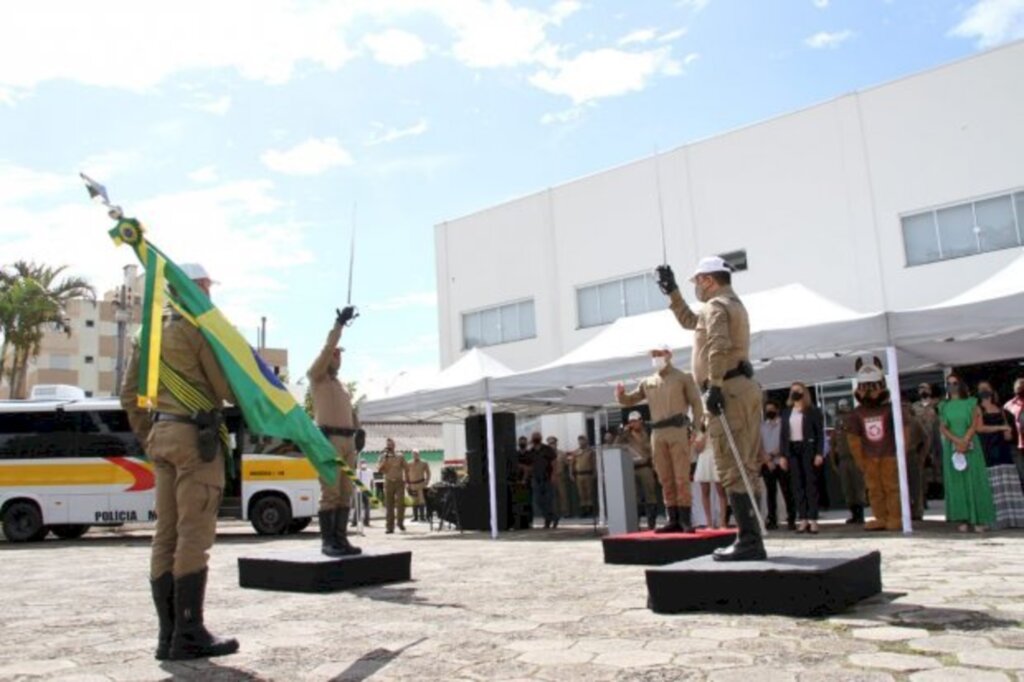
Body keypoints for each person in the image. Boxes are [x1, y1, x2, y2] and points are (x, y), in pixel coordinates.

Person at [121, 262, 238, 661]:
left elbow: (128, 395)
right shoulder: (196, 326)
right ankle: (189, 630)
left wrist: (150, 438)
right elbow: (223, 387)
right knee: (193, 534)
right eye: (207, 287)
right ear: (197, 288)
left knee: (165, 534)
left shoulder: (146, 333)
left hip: (162, 436)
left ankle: (167, 635)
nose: (210, 294)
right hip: (194, 438)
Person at [658, 257, 764, 560]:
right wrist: (673, 293)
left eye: (696, 283)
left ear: (707, 280)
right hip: (738, 387)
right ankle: (751, 538)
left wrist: (714, 384)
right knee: (745, 465)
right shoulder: (732, 304)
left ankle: (749, 541)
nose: (697, 290)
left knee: (732, 467)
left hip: (727, 391)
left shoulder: (717, 306)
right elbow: (691, 322)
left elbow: (718, 346)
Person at [616, 346, 705, 533]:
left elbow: (697, 404)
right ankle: (672, 518)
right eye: (653, 355)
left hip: (678, 429)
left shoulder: (683, 377)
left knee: (681, 476)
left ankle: (685, 519)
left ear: (669, 355)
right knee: (665, 477)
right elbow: (630, 400)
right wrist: (620, 395)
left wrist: (696, 429)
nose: (656, 357)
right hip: (657, 433)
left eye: (659, 354)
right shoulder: (647, 381)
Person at [308, 307, 362, 557]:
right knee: (330, 491)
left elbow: (350, 412)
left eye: (341, 355)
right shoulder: (316, 377)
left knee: (345, 492)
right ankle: (328, 542)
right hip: (328, 439)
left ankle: (341, 540)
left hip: (347, 441)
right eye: (335, 354)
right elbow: (327, 347)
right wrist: (339, 324)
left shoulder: (340, 386)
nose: (338, 358)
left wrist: (358, 430)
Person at [845, 358, 909, 532]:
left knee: (892, 487)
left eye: (872, 386)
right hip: (870, 457)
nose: (868, 392)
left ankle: (895, 517)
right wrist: (861, 460)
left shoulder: (892, 409)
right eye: (864, 387)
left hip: (889, 455)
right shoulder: (857, 414)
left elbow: (904, 430)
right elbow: (854, 439)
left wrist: (901, 452)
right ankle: (880, 517)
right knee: (874, 490)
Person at [939, 374, 996, 532]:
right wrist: (957, 441)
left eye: (955, 383)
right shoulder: (943, 405)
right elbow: (943, 427)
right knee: (958, 481)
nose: (952, 386)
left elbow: (974, 424)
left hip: (971, 444)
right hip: (953, 446)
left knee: (975, 479)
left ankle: (979, 519)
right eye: (949, 384)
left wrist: (965, 440)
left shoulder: (972, 402)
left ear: (961, 385)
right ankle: (963, 518)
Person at [974, 381, 1024, 529]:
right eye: (981, 389)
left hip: (1003, 451)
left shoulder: (1002, 410)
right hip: (987, 451)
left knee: (1007, 485)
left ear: (992, 390)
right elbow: (979, 428)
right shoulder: (977, 409)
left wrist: (1008, 433)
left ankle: (1012, 519)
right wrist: (1000, 427)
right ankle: (992, 521)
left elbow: (1011, 433)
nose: (984, 391)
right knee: (991, 487)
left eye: (986, 388)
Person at [780, 382, 825, 534]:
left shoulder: (812, 411)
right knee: (797, 485)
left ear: (804, 393)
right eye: (792, 391)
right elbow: (783, 436)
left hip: (808, 449)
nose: (795, 393)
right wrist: (783, 456)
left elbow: (819, 433)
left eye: (798, 391)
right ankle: (803, 519)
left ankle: (813, 520)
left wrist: (819, 453)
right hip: (792, 449)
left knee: (810, 484)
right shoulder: (787, 412)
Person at [616, 412, 659, 530]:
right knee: (635, 498)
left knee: (651, 495)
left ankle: (652, 523)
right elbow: (616, 446)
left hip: (646, 467)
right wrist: (622, 433)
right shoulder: (626, 436)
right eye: (631, 422)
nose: (633, 424)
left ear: (641, 420)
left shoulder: (649, 432)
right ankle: (636, 523)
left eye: (635, 421)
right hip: (631, 469)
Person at [759, 400, 794, 531]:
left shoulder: (784, 424)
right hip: (768, 465)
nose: (769, 412)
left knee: (787, 491)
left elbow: (785, 442)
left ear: (777, 410)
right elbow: (759, 444)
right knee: (770, 493)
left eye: (771, 409)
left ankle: (791, 518)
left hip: (781, 462)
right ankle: (772, 519)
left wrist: (773, 455)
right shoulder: (762, 426)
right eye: (767, 410)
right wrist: (766, 460)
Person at [830, 399, 866, 525]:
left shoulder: (856, 422)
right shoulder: (836, 424)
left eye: (845, 406)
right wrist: (834, 462)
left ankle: (860, 515)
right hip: (843, 459)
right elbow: (833, 444)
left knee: (858, 487)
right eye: (841, 407)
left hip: (854, 458)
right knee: (847, 489)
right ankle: (853, 514)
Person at [910, 383, 941, 519]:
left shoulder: (937, 405)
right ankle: (922, 500)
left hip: (936, 440)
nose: (923, 391)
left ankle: (939, 492)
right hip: (921, 442)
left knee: (938, 470)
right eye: (920, 388)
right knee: (921, 473)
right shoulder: (914, 407)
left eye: (926, 388)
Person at [525, 432, 558, 528]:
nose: (536, 438)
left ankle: (548, 520)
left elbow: (554, 462)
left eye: (537, 436)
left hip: (547, 477)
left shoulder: (547, 449)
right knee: (538, 500)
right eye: (534, 437)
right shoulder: (531, 451)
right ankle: (552, 517)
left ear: (541, 438)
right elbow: (528, 464)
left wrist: (554, 475)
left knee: (548, 500)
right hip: (536, 478)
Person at [694, 438, 728, 529]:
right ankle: (709, 523)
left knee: (721, 490)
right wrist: (702, 432)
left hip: (718, 455)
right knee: (705, 491)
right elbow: (698, 448)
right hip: (704, 457)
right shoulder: (699, 427)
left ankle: (723, 522)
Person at [378, 438, 408, 533]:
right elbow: (379, 469)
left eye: (391, 444)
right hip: (388, 482)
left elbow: (406, 468)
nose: (389, 446)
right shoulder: (383, 456)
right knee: (389, 505)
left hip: (399, 482)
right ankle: (389, 527)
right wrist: (385, 459)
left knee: (400, 504)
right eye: (388, 445)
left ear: (394, 445)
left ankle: (400, 523)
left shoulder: (400, 456)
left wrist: (407, 480)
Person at [1003, 377, 1024, 486]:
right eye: (1019, 387)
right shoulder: (1008, 406)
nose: (1021, 389)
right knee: (1021, 477)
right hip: (1016, 446)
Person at [571, 435, 596, 517]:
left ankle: (590, 509)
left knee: (589, 492)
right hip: (579, 474)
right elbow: (572, 464)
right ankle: (583, 510)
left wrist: (595, 473)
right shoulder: (576, 452)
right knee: (581, 493)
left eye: (583, 440)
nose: (581, 442)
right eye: (580, 440)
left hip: (588, 474)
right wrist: (571, 473)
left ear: (586, 441)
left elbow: (594, 463)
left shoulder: (590, 451)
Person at [548, 436, 573, 520]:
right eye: (550, 443)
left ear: (556, 443)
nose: (552, 445)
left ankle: (566, 512)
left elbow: (568, 464)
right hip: (551, 477)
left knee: (563, 495)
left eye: (553, 443)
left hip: (560, 476)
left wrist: (570, 474)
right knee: (553, 497)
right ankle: (555, 513)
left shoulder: (561, 453)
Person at [406, 449, 431, 522]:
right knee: (414, 501)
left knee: (421, 501)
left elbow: (428, 473)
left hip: (421, 484)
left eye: (416, 454)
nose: (415, 455)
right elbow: (406, 474)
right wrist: (407, 483)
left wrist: (427, 481)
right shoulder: (409, 463)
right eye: (413, 454)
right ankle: (415, 517)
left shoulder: (424, 463)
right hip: (412, 484)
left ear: (419, 454)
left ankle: (422, 517)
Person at [351, 460, 373, 527]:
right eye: (362, 463)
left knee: (366, 507)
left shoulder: (369, 471)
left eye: (364, 463)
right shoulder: (357, 472)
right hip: (360, 491)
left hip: (365, 491)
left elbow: (371, 481)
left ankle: (364, 522)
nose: (363, 465)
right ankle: (356, 522)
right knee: (359, 507)